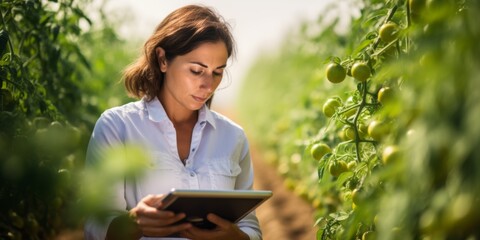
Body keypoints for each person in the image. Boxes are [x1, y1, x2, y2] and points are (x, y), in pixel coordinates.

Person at [84, 4, 262, 240]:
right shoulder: (117, 128)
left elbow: (250, 225)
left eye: (217, 72)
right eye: (197, 71)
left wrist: (237, 237)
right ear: (162, 60)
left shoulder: (233, 137)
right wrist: (134, 223)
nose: (208, 85)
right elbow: (95, 225)